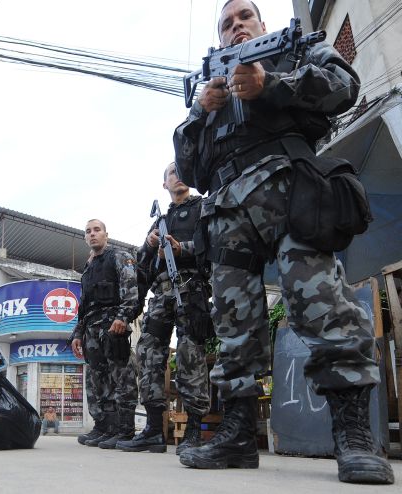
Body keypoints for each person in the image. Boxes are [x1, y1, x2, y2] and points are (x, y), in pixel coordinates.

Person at [173, 0, 393, 484]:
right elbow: (190, 169)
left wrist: (270, 85)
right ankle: (235, 435)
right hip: (228, 210)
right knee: (233, 325)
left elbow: (345, 87)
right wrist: (199, 113)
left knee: (318, 304)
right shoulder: (208, 88)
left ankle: (354, 438)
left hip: (291, 192)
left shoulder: (296, 48)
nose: (236, 28)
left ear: (262, 24)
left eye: (243, 18)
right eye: (226, 24)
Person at [119, 162, 211, 454]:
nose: (178, 175)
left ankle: (195, 429)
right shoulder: (159, 222)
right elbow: (142, 270)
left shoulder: (204, 209)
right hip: (160, 296)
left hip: (191, 289)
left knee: (189, 353)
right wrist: (149, 246)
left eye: (181, 169)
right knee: (147, 353)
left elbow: (214, 243)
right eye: (172, 172)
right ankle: (153, 429)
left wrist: (182, 248)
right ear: (164, 185)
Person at [70, 219, 139, 450]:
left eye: (97, 230)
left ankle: (126, 430)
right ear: (85, 238)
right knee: (98, 382)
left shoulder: (119, 256)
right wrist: (77, 333)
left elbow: (130, 288)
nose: (92, 234)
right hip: (91, 329)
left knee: (122, 378)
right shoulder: (88, 268)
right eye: (88, 231)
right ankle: (105, 427)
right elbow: (83, 305)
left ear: (106, 235)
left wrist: (123, 317)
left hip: (112, 326)